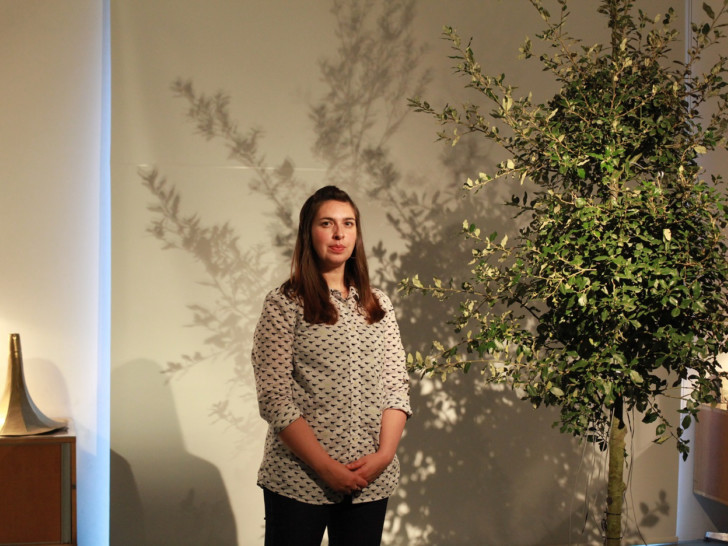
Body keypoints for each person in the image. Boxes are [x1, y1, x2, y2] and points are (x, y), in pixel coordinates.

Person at [251, 185, 411, 546]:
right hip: (298, 479)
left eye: (348, 223)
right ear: (309, 232)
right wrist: (326, 467)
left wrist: (383, 456)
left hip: (369, 482)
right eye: (327, 223)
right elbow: (274, 398)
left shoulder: (378, 305)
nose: (339, 234)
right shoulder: (285, 303)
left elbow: (396, 388)